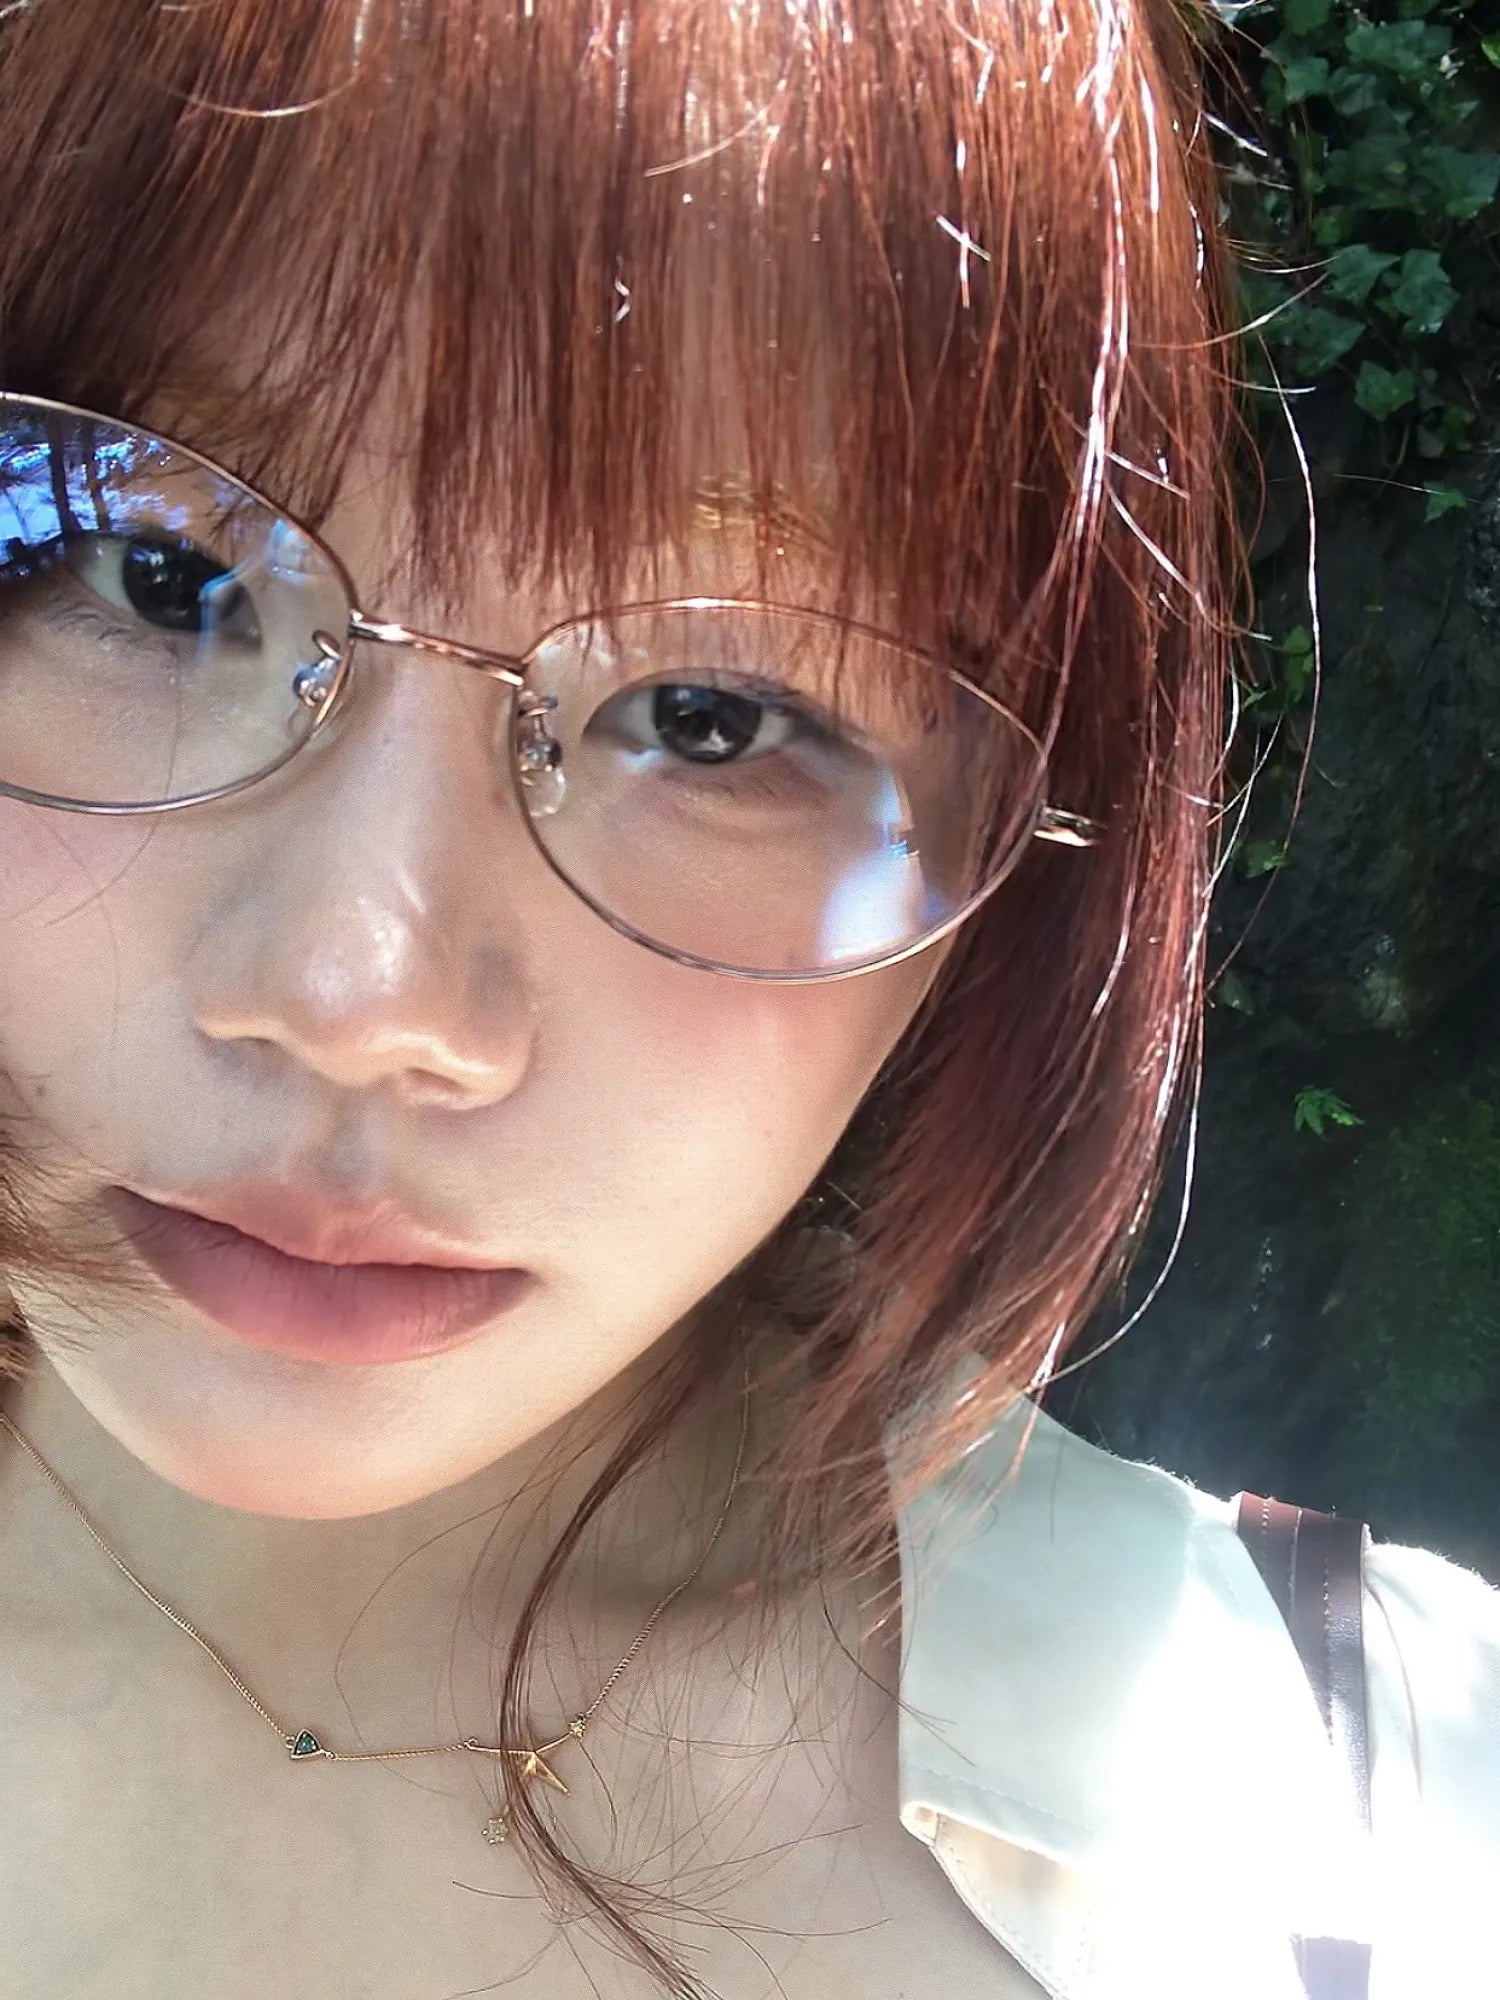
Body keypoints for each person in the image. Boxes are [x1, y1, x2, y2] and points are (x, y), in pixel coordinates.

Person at [0, 3, 1494, 1996]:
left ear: (1027, 854)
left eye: (713, 716)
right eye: (163, 579)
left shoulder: (1393, 1848)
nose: (355, 995)